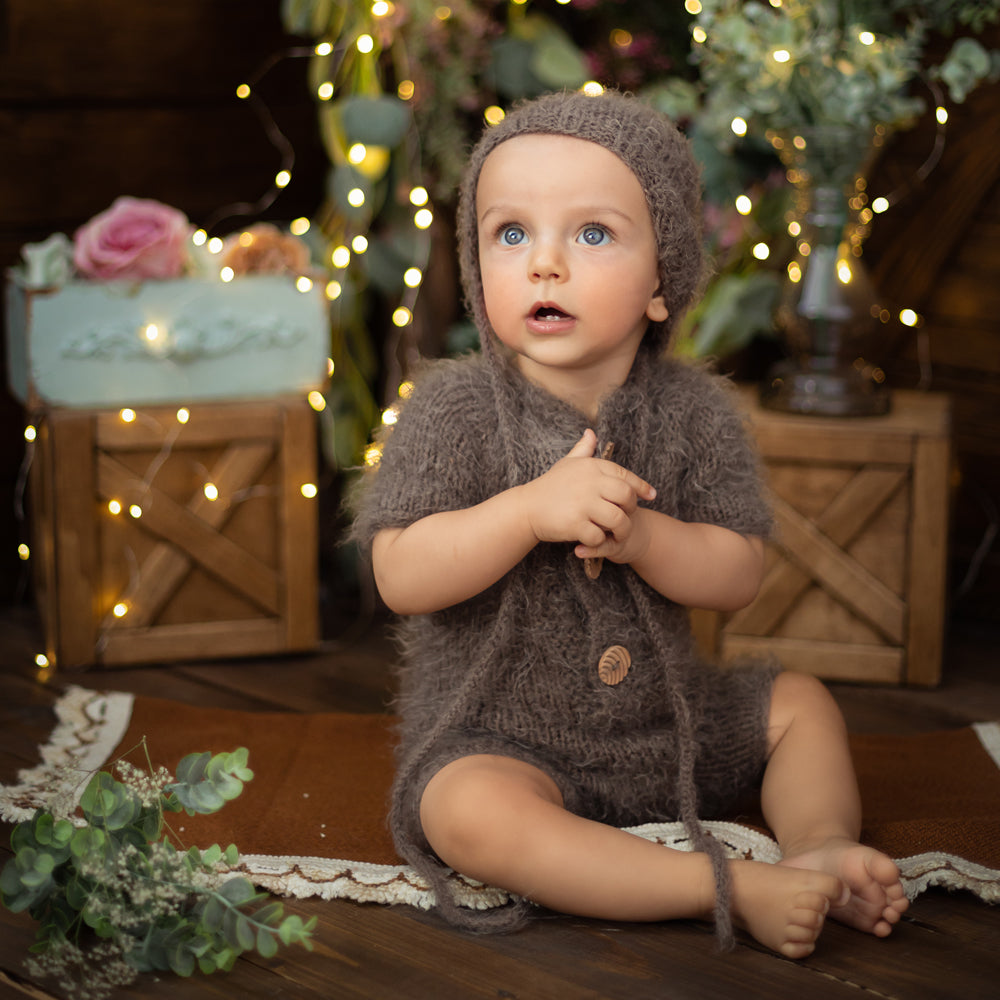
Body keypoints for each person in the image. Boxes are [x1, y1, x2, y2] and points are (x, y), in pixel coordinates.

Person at [351, 90, 909, 959]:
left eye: (592, 234)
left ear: (662, 282)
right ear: (475, 264)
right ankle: (720, 885)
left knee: (799, 703)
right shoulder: (451, 410)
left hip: (668, 727)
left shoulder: (695, 413)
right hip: (502, 739)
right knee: (461, 810)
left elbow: (737, 574)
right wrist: (525, 513)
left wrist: (648, 541)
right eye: (511, 234)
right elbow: (401, 574)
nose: (544, 264)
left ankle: (821, 844)